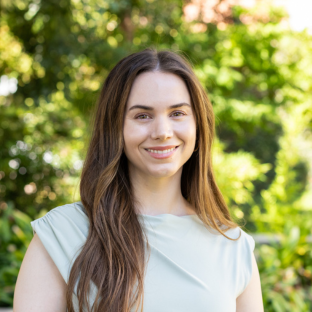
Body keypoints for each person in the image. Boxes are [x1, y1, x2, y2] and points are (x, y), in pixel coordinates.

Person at [13, 48, 264, 312]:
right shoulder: (61, 234)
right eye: (142, 116)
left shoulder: (233, 245)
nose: (162, 132)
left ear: (198, 124)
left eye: (177, 113)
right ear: (115, 129)